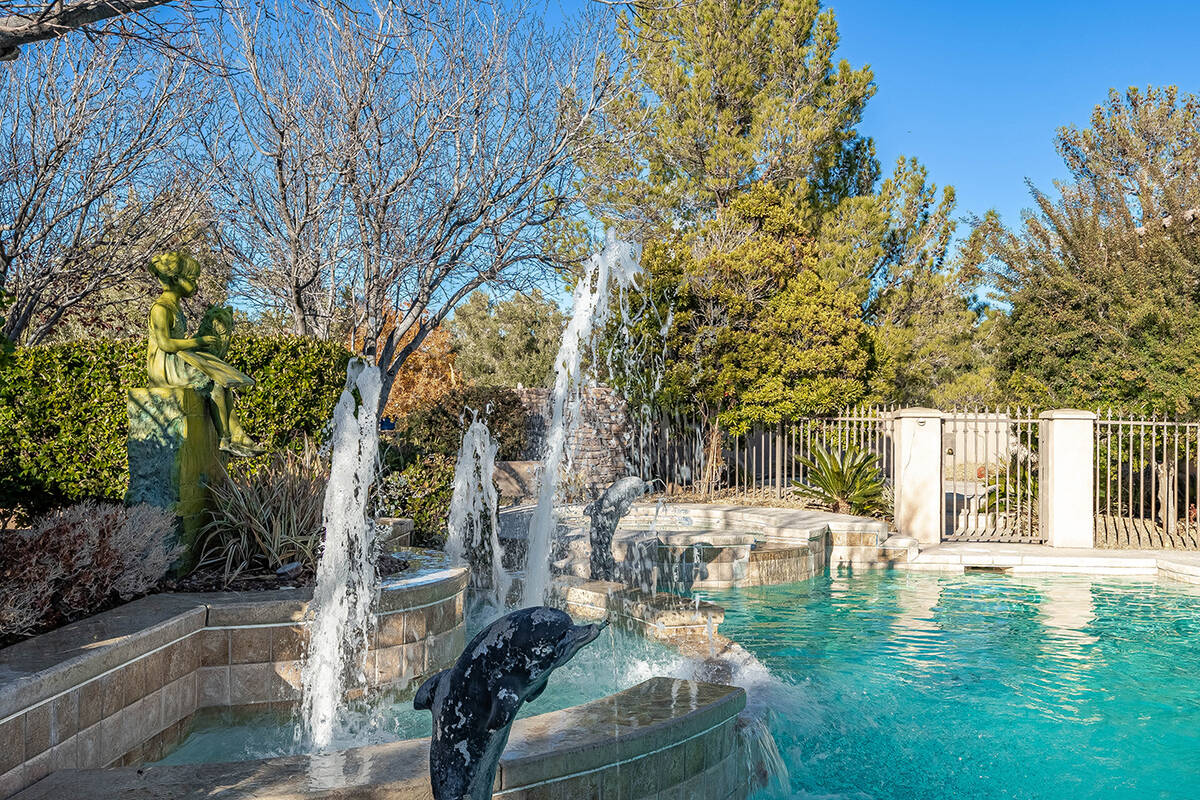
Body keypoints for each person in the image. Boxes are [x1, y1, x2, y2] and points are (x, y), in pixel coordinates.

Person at [145, 251, 263, 457]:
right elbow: (165, 344)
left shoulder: (176, 306)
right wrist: (198, 341)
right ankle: (225, 438)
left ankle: (237, 436)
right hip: (164, 366)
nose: (196, 284)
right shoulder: (160, 308)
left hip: (178, 358)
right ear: (176, 279)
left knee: (223, 382)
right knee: (213, 382)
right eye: (192, 279)